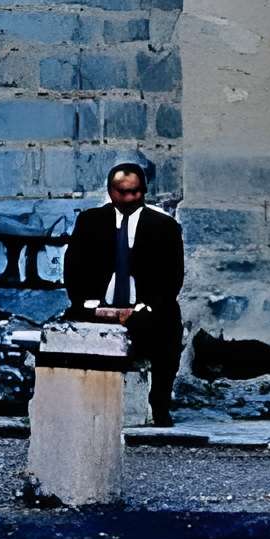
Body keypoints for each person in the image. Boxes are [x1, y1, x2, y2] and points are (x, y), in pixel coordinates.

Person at [62, 159, 184, 427]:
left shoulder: (164, 227)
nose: (130, 198)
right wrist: (90, 303)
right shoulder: (90, 222)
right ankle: (76, 404)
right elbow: (74, 267)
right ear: (110, 191)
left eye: (136, 191)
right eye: (123, 192)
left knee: (169, 328)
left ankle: (160, 404)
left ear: (144, 190)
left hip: (145, 308)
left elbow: (172, 276)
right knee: (67, 329)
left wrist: (145, 306)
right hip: (96, 304)